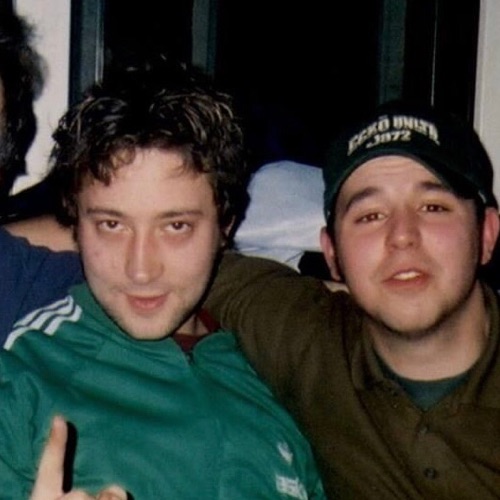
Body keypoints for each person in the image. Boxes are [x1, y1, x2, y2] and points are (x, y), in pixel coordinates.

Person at [0, 57, 325, 498]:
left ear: (225, 225)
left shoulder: (276, 375)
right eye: (111, 225)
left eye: (175, 227)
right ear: (75, 224)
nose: (141, 269)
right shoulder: (26, 379)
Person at [204, 101, 500, 499]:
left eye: (433, 208)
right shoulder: (310, 339)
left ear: (486, 234)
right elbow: (173, 262)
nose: (402, 236)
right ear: (332, 253)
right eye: (370, 216)